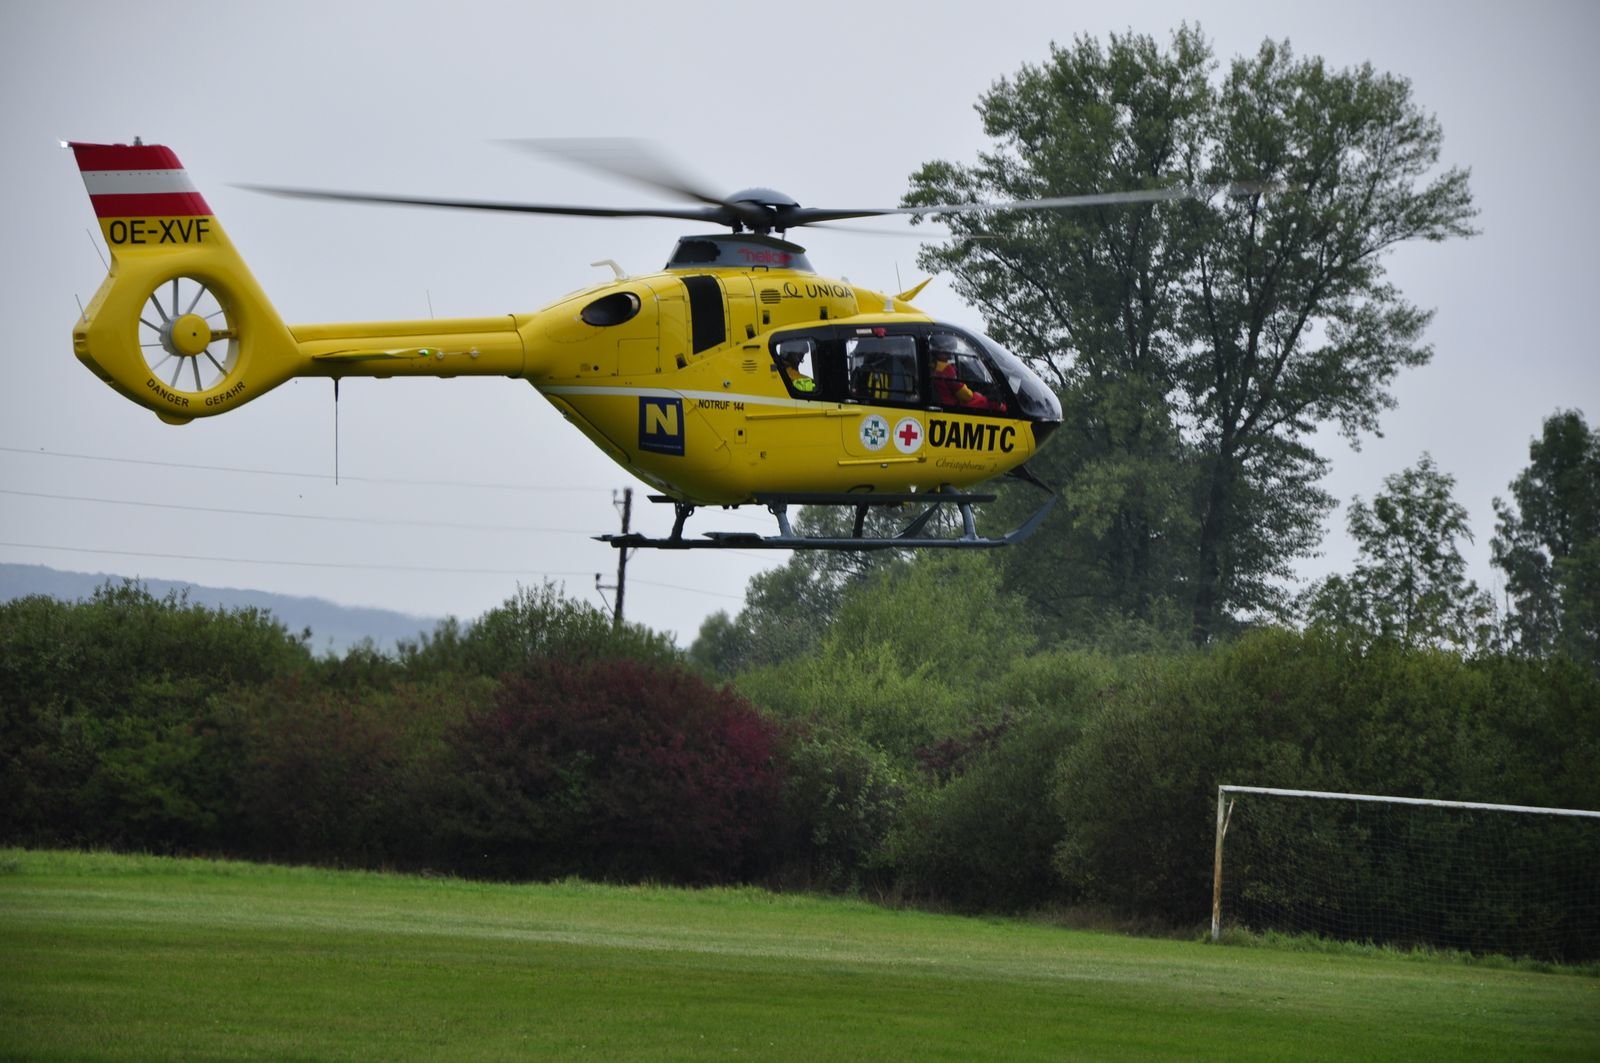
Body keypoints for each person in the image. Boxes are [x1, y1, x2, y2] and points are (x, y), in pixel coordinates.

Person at [930, 334, 1002, 411]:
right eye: (949, 350)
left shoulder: (932, 365)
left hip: (942, 403)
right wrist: (976, 395)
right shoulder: (946, 368)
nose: (951, 353)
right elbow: (965, 395)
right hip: (951, 406)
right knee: (991, 403)